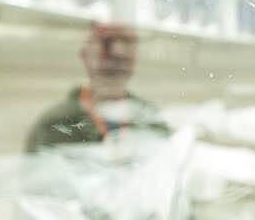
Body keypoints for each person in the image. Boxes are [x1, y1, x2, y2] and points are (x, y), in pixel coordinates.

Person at [25, 22, 167, 152]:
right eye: (106, 42)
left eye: (127, 43)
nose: (118, 52)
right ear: (85, 55)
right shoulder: (54, 124)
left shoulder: (152, 120)